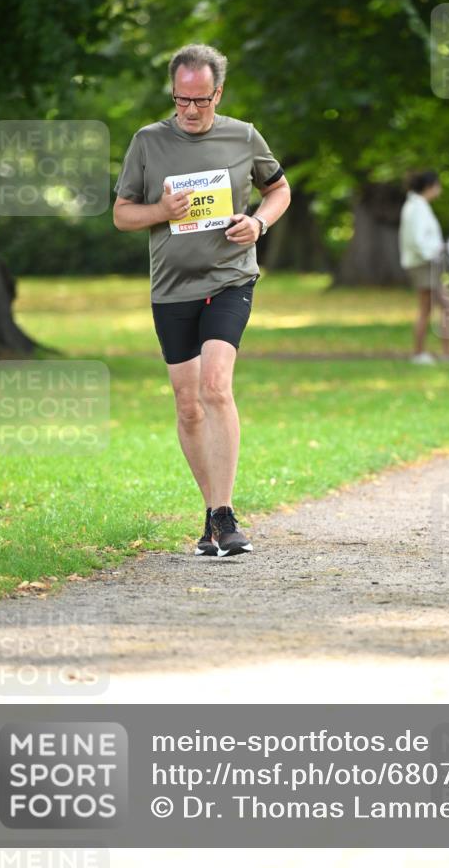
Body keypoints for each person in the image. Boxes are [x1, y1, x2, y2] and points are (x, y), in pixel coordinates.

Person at [113, 44, 291, 557]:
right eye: (180, 100)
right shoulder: (147, 142)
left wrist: (258, 221)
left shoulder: (243, 136)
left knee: (215, 386)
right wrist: (161, 210)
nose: (190, 111)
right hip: (171, 289)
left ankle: (225, 515)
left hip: (230, 278)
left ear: (219, 93)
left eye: (201, 101)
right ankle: (212, 513)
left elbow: (278, 190)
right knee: (188, 405)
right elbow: (123, 214)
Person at [399, 170, 449, 365]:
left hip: (426, 263)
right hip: (423, 264)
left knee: (441, 307)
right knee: (432, 308)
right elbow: (418, 240)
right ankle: (421, 353)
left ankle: (443, 352)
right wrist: (435, 253)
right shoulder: (416, 208)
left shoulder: (418, 206)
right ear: (430, 186)